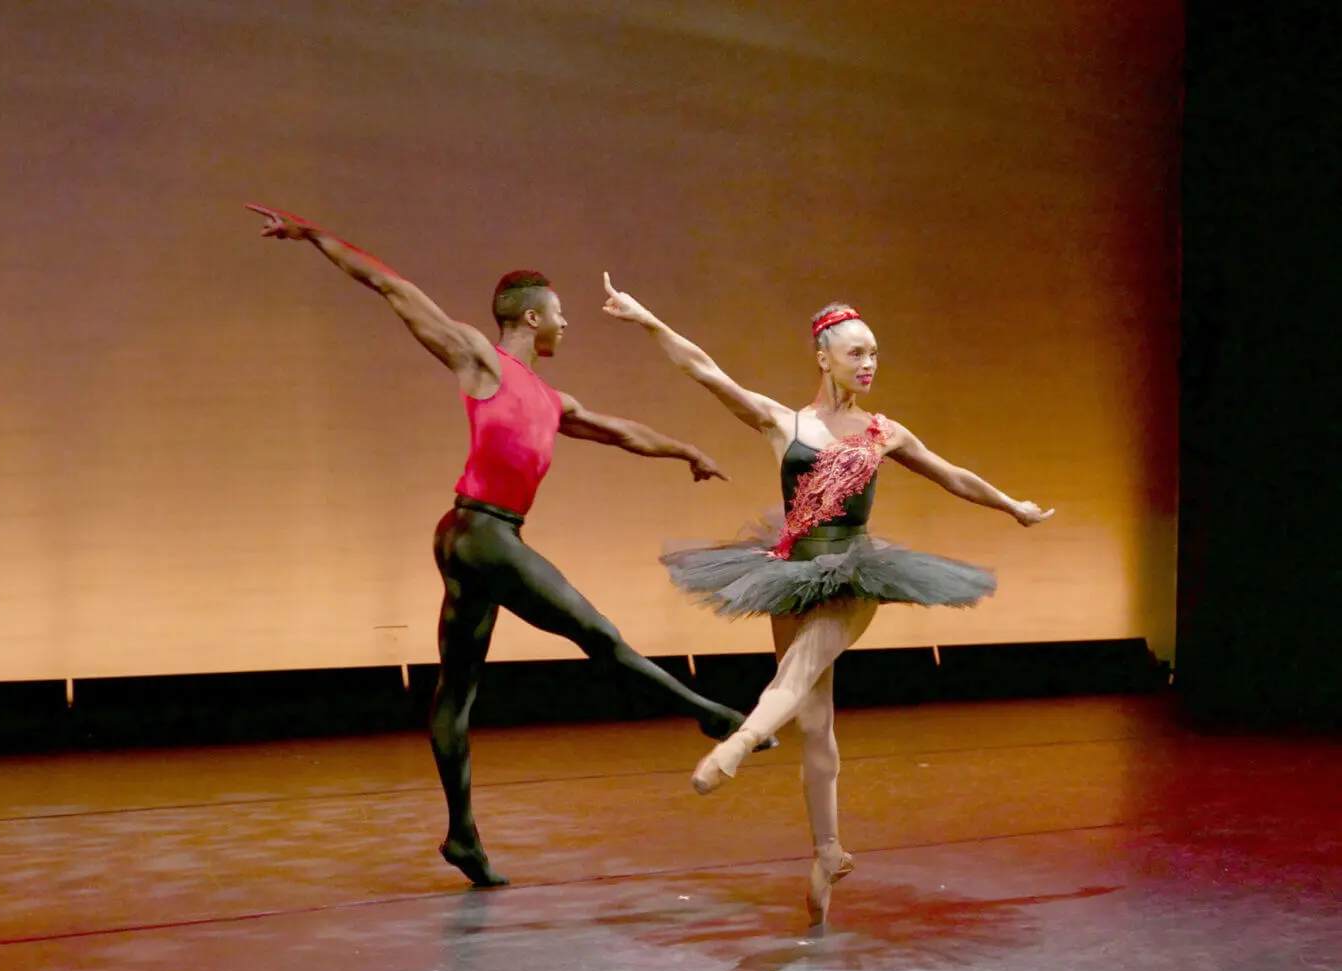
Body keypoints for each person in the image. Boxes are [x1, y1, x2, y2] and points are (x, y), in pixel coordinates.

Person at [245, 205, 770, 888]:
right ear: (530, 318)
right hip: (479, 532)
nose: (566, 323)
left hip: (479, 539)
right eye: (559, 313)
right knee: (598, 634)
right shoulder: (478, 359)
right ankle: (709, 715)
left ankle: (462, 837)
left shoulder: (552, 400)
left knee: (457, 695)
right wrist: (314, 235)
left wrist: (685, 451)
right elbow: (392, 288)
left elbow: (619, 431)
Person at [601, 274, 1053, 925]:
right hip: (787, 572)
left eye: (874, 353)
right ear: (824, 358)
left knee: (797, 672)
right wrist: (646, 319)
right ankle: (828, 851)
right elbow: (705, 370)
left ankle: (736, 745)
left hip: (854, 576)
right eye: (856, 353)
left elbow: (951, 473)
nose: (869, 365)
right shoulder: (783, 423)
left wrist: (1013, 507)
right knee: (815, 722)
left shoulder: (883, 433)